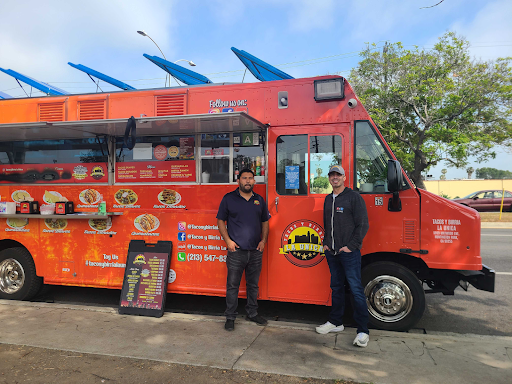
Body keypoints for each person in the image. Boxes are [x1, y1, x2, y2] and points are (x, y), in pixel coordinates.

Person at [316, 165, 370, 348]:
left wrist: (351, 246)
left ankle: (363, 331)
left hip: (349, 253)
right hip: (331, 252)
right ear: (329, 179)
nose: (335, 177)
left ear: (344, 177)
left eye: (338, 174)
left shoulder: (354, 197)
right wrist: (326, 242)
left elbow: (363, 225)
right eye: (332, 175)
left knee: (355, 289)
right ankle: (336, 323)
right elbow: (327, 223)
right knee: (336, 287)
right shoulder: (327, 199)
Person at [217, 168, 271, 331]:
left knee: (253, 285)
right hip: (236, 252)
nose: (247, 181)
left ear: (254, 181)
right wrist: (228, 241)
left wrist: (263, 241)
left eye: (250, 178)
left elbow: (265, 221)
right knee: (232, 286)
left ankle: (252, 313)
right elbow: (220, 221)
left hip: (255, 251)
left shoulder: (259, 200)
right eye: (244, 178)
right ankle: (230, 317)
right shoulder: (229, 199)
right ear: (238, 181)